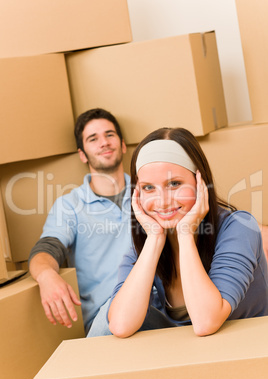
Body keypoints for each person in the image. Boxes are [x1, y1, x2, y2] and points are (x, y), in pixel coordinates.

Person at [107, 127, 268, 338]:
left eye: (174, 184)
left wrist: (185, 235)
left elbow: (205, 322)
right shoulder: (149, 238)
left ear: (199, 183)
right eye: (148, 188)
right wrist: (155, 240)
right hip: (195, 355)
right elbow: (120, 325)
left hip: (247, 349)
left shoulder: (239, 226)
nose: (162, 201)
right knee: (108, 314)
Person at [29, 108, 131, 335]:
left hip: (159, 308)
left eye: (109, 134)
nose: (104, 142)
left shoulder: (150, 192)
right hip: (106, 320)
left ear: (123, 145)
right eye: (93, 139)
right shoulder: (69, 206)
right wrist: (46, 276)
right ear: (83, 154)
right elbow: (46, 249)